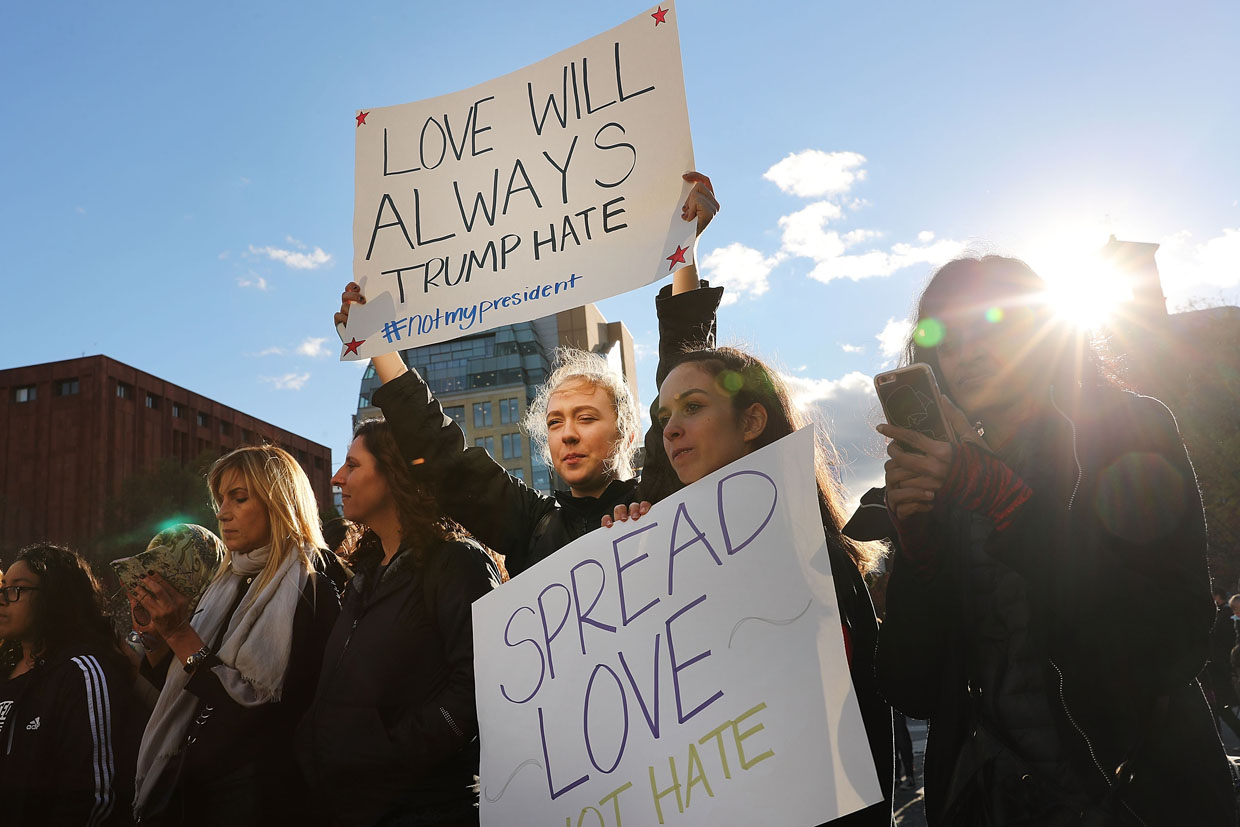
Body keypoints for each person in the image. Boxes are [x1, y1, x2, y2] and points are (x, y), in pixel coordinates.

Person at [875, 255, 1234, 824]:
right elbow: (912, 687)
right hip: (986, 801)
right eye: (947, 341)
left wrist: (1004, 500)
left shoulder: (1124, 430)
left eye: (990, 327)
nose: (967, 355)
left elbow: (1169, 638)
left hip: (1130, 795)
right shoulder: (943, 483)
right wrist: (920, 556)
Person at [334, 172, 719, 577]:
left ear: (626, 434)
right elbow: (441, 453)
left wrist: (685, 245)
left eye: (586, 418)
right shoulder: (529, 524)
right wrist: (375, 341)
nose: (567, 434)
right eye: (555, 422)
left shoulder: (663, 494)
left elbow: (686, 378)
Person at [614, 345, 894, 826]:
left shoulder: (815, 558)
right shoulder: (662, 557)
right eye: (664, 417)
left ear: (751, 422)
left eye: (693, 407)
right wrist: (628, 561)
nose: (671, 428)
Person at [298, 418, 500, 826]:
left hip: (427, 808)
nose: (338, 478)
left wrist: (390, 749)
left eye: (353, 465)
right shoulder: (365, 575)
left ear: (395, 472)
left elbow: (478, 685)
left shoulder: (456, 562)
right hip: (355, 805)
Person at [130, 449, 343, 825]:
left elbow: (259, 713)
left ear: (280, 503)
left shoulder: (314, 584)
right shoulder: (226, 582)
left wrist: (180, 634)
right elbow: (189, 683)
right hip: (194, 791)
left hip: (261, 799)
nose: (222, 512)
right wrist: (160, 637)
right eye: (220, 499)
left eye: (239, 498)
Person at [0, 543, 142, 826]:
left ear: (55, 597)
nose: (3, 599)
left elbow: (96, 794)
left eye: (17, 589)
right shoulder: (5, 670)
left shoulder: (82, 673)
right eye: (3, 588)